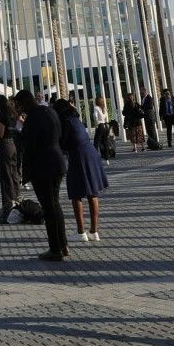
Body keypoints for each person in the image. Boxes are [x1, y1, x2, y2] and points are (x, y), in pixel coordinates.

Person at [16, 90, 68, 261]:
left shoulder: (32, 119)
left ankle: (55, 249)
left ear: (24, 103)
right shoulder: (50, 111)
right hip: (57, 160)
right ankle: (63, 244)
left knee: (48, 207)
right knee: (55, 204)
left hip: (43, 165)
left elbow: (29, 147)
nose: (19, 110)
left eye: (20, 106)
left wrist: (25, 174)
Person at [58, 100, 107, 242]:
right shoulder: (76, 119)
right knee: (92, 192)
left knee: (76, 193)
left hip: (78, 155)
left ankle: (81, 232)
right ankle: (94, 231)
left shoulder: (66, 121)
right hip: (91, 153)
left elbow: (63, 143)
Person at [0, 95, 21, 222]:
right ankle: (16, 198)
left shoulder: (2, 115)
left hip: (5, 145)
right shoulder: (13, 114)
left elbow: (0, 134)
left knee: (6, 175)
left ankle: (8, 203)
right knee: (14, 174)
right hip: (14, 144)